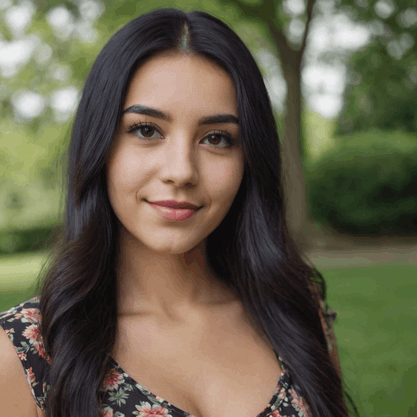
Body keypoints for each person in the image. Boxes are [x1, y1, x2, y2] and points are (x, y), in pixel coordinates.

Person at [0, 8, 353, 417]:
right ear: (99, 145)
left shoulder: (296, 311)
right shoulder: (26, 351)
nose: (181, 171)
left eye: (217, 138)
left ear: (250, 158)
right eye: (147, 130)